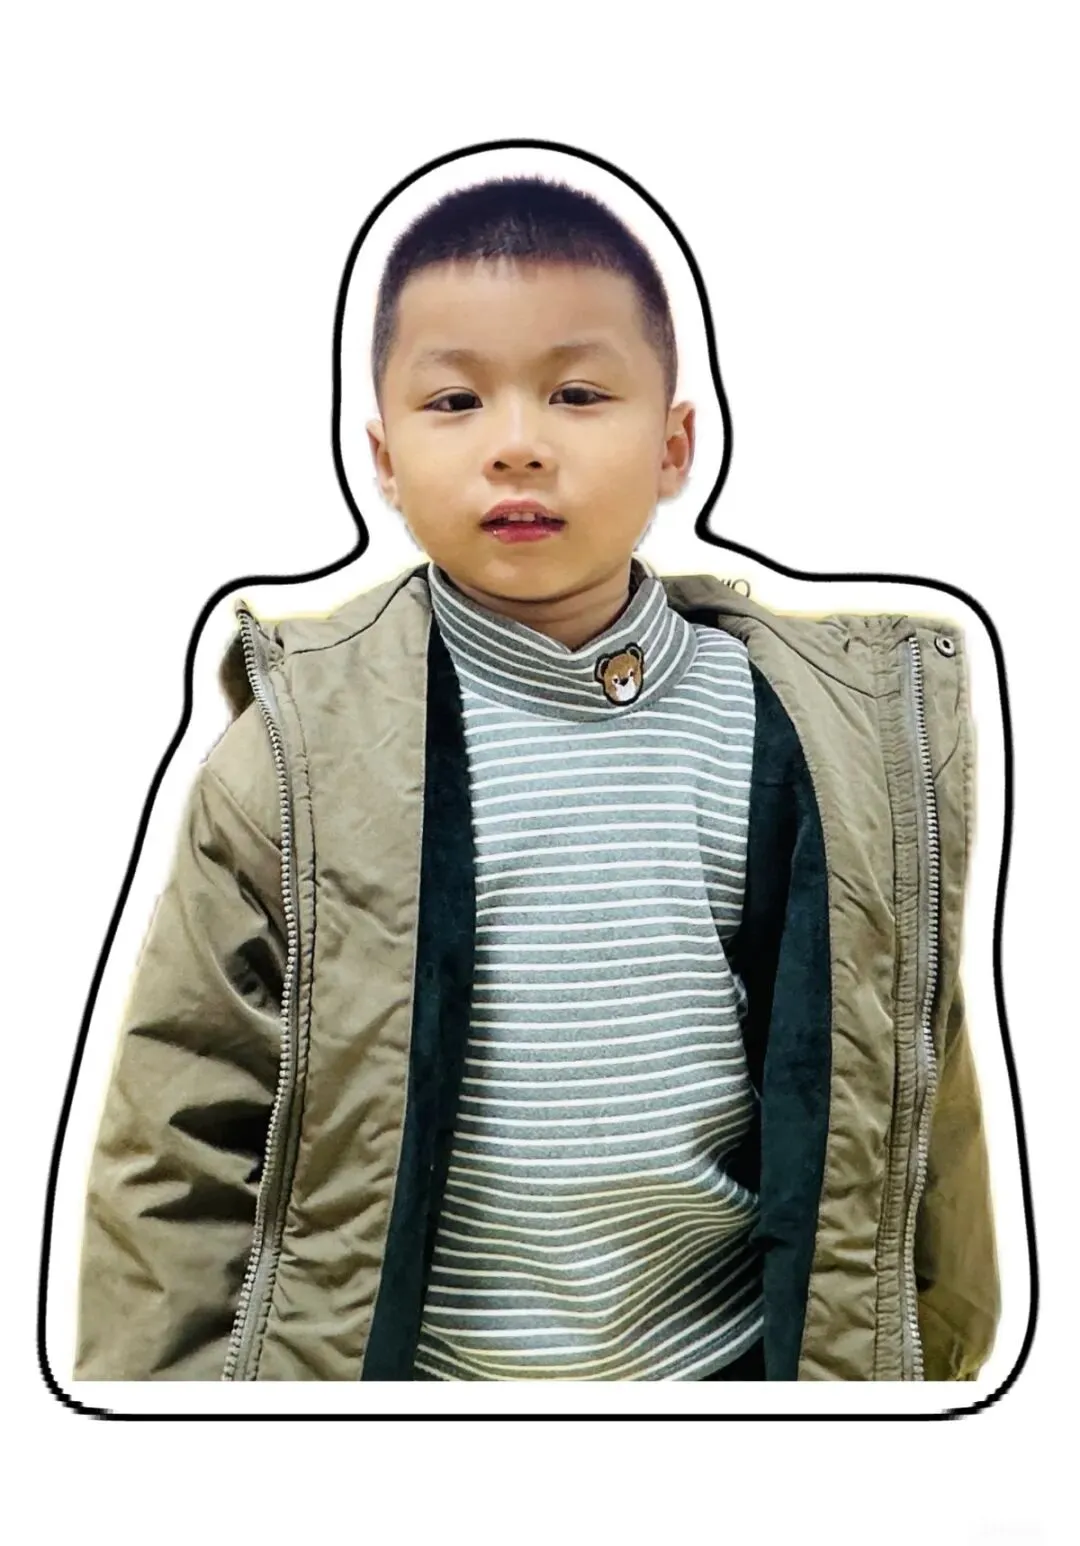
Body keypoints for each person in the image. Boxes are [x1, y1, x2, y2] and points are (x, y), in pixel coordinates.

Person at [73, 175, 1000, 1382]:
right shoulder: (299, 758)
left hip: (729, 1392)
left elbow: (913, 1097)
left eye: (577, 393)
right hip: (410, 1405)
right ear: (385, 457)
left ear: (673, 446)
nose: (517, 442)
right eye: (455, 400)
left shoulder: (821, 737)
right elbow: (180, 1135)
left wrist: (938, 1392)